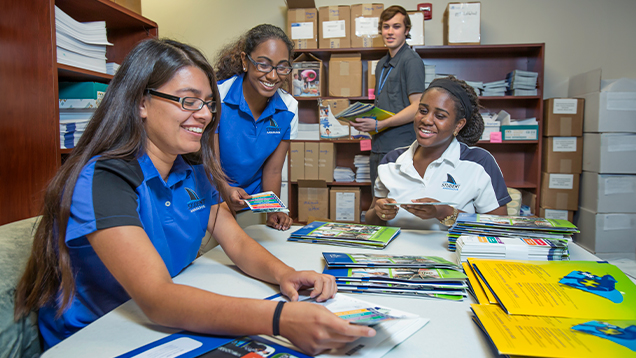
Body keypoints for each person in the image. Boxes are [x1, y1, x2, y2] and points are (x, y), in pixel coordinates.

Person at [13, 38, 374, 355]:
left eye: (208, 104)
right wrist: (280, 318)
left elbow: (238, 243)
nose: (203, 115)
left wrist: (286, 274)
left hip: (163, 323)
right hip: (97, 337)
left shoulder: (195, 172)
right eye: (188, 101)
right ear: (141, 102)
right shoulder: (104, 179)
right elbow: (157, 299)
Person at [365, 76, 511, 230]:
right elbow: (372, 220)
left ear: (459, 125)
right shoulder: (391, 161)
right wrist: (379, 212)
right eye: (422, 111)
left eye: (440, 116)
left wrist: (444, 212)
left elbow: (499, 225)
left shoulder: (479, 162)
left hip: (451, 253)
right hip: (394, 252)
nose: (426, 120)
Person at [215, 24, 296, 231]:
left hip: (252, 203)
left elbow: (274, 169)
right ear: (245, 61)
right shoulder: (217, 97)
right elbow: (210, 161)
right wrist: (226, 189)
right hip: (212, 199)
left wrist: (273, 210)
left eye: (282, 67)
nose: (272, 76)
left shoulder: (288, 108)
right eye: (263, 65)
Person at [350, 5, 426, 187]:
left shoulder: (412, 61)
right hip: (378, 145)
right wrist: (364, 121)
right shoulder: (382, 64)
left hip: (400, 147)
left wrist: (381, 124)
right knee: (378, 202)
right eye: (386, 27)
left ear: (406, 30)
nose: (390, 32)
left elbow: (417, 106)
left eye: (396, 26)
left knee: (395, 206)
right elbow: (386, 105)